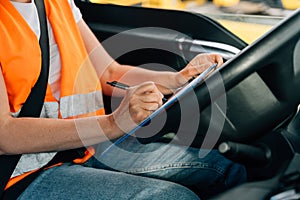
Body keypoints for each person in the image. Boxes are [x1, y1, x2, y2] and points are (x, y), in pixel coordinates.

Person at [0, 0, 247, 199]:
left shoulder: (57, 3)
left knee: (225, 169)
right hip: (21, 172)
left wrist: (178, 79)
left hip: (83, 147)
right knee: (173, 197)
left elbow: (109, 73)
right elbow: (4, 135)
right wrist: (112, 124)